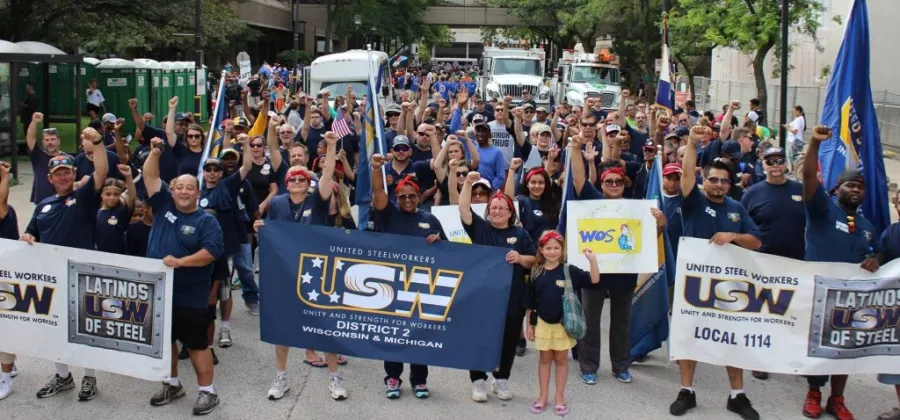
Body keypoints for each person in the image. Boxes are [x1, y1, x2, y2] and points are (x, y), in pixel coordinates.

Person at [670, 125, 762, 420]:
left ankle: (737, 395)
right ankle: (687, 390)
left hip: (730, 287)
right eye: (713, 180)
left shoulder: (736, 207)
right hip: (695, 284)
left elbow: (756, 241)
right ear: (704, 181)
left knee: (731, 338)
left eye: (724, 181)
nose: (719, 185)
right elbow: (686, 174)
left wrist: (733, 237)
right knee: (689, 336)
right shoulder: (694, 202)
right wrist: (694, 143)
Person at [255, 132, 349, 401]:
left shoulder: (316, 201)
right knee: (282, 329)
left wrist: (331, 146)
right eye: (292, 179)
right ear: (287, 184)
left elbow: (328, 172)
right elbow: (269, 233)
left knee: (324, 327)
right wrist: (259, 227)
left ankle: (335, 379)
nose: (296, 182)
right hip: (286, 274)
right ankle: (281, 376)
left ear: (308, 184)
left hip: (317, 274)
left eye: (301, 179)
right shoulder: (277, 203)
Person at [799, 126, 881, 420]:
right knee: (817, 348)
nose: (855, 190)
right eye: (850, 186)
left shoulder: (869, 228)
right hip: (819, 295)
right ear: (837, 189)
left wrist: (877, 257)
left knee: (845, 350)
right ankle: (813, 394)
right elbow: (809, 178)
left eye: (860, 187)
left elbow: (880, 255)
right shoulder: (822, 210)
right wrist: (814, 144)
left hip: (850, 303)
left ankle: (837, 399)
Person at [20, 128, 108, 401]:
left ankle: (89, 377)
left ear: (73, 174)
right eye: (58, 173)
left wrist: (98, 141)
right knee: (53, 329)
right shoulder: (43, 205)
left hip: (81, 275)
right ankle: (62, 376)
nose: (63, 176)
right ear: (50, 178)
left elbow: (102, 172)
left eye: (67, 171)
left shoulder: (83, 199)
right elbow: (31, 232)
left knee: (85, 327)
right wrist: (27, 236)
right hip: (50, 277)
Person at [143, 137, 224, 415]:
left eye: (190, 188)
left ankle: (208, 392)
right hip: (158, 291)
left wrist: (180, 262)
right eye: (180, 187)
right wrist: (154, 153)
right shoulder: (163, 204)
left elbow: (211, 253)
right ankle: (172, 384)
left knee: (197, 344)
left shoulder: (206, 221)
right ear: (172, 190)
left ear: (198, 191)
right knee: (165, 343)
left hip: (190, 295)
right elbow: (150, 175)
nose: (184, 192)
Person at [370, 153, 446, 399]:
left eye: (412, 196)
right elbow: (378, 194)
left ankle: (419, 379)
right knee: (392, 332)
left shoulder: (430, 218)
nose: (407, 200)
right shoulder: (389, 214)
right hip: (390, 283)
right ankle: (393, 376)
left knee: (419, 334)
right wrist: (375, 169)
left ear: (419, 196)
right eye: (402, 197)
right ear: (397, 198)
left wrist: (438, 241)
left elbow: (449, 250)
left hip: (421, 287)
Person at [459, 172, 535, 402]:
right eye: (494, 207)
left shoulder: (520, 234)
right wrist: (469, 183)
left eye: (503, 207)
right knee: (480, 338)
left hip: (512, 298)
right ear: (488, 210)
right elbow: (463, 210)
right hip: (483, 298)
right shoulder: (481, 229)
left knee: (509, 339)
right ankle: (478, 381)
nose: (498, 211)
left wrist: (520, 258)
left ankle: (501, 378)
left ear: (511, 212)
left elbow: (534, 259)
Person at [526, 231, 600, 416]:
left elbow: (594, 280)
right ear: (541, 250)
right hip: (543, 323)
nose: (552, 251)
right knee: (544, 360)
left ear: (562, 249)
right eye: (548, 248)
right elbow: (531, 302)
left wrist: (592, 260)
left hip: (562, 325)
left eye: (556, 248)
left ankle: (559, 397)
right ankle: (543, 396)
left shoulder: (569, 271)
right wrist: (529, 324)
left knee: (560, 361)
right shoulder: (536, 272)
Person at [198, 135, 253, 355]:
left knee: (224, 289)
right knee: (202, 289)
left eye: (216, 170)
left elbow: (247, 166)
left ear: (222, 172)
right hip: (198, 248)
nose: (212, 173)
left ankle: (225, 328)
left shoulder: (228, 185)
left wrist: (246, 144)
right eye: (208, 169)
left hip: (222, 247)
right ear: (203, 171)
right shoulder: (195, 188)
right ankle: (201, 328)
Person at [0, 161, 20, 401]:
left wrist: (5, 175)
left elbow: (2, 202)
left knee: (3, 328)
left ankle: (5, 377)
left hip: (5, 275)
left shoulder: (5, 211)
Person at [25, 112, 69, 204]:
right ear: (43, 142)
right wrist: (34, 121)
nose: (50, 142)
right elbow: (30, 138)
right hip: (42, 202)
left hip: (64, 202)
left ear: (58, 140)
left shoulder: (68, 159)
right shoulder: (37, 156)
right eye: (47, 140)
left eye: (52, 139)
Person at [95, 166, 137, 255]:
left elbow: (132, 197)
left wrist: (128, 176)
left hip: (118, 257)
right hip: (98, 256)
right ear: (101, 194)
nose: (112, 197)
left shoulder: (121, 212)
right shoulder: (95, 213)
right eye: (108, 194)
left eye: (116, 194)